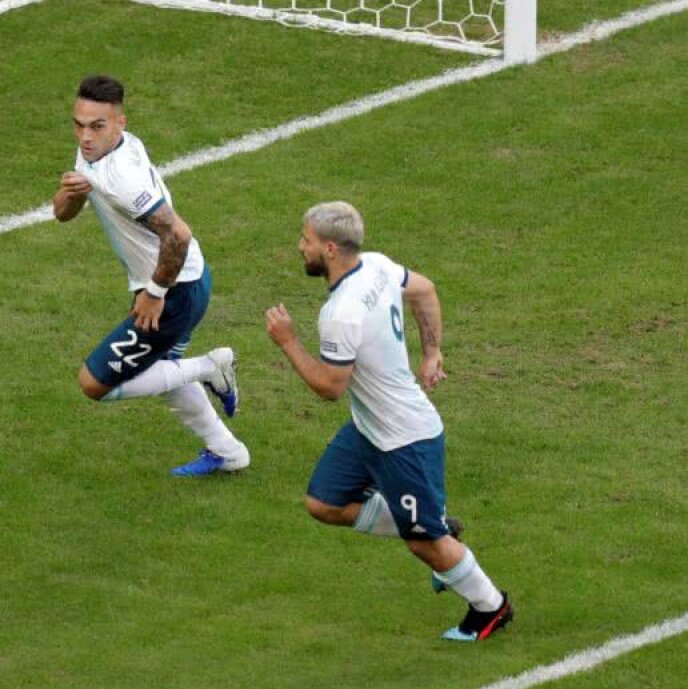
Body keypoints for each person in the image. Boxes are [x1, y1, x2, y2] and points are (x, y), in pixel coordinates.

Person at [264, 201, 512, 641]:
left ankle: (491, 606)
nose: (299, 247)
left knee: (424, 544)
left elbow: (329, 387)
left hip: (405, 439)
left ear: (330, 247)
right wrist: (433, 352)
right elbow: (425, 290)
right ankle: (437, 527)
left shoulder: (340, 313)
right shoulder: (376, 266)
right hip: (369, 428)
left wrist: (288, 342)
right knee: (325, 503)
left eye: (305, 240)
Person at [52, 75, 249, 476]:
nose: (84, 136)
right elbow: (62, 213)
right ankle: (228, 452)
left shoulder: (124, 179)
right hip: (177, 278)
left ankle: (211, 367)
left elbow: (177, 233)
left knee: (95, 384)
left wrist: (156, 293)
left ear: (120, 123)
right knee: (164, 370)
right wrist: (69, 195)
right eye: (79, 124)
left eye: (96, 126)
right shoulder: (97, 150)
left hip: (174, 287)